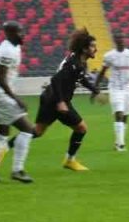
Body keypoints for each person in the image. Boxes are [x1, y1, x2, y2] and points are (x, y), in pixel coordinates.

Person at [34, 28, 101, 172]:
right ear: (84, 49)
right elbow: (55, 79)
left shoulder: (79, 61)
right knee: (81, 128)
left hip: (51, 98)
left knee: (37, 132)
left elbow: (80, 77)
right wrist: (60, 102)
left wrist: (94, 90)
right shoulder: (74, 62)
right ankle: (70, 161)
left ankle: (5, 147)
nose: (96, 49)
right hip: (56, 100)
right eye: (93, 46)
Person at [0, 21, 36, 183]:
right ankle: (18, 170)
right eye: (19, 32)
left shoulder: (13, 47)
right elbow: (1, 79)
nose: (23, 34)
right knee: (27, 130)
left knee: (2, 133)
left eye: (23, 31)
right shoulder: (7, 50)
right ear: (10, 34)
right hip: (0, 94)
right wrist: (16, 98)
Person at [96, 33, 129, 152]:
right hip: (115, 88)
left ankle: (118, 142)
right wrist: (95, 88)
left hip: (128, 88)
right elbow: (102, 72)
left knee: (125, 116)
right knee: (119, 113)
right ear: (115, 41)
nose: (121, 41)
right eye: (118, 39)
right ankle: (121, 145)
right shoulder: (109, 56)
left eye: (122, 39)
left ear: (125, 40)